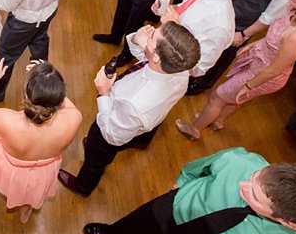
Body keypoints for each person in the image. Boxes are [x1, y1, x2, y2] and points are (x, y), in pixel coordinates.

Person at [83, 147, 296, 234]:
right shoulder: (242, 161)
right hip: (175, 208)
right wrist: (180, 183)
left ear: (289, 223)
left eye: (254, 195)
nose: (242, 184)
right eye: (256, 176)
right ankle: (114, 233)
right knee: (133, 224)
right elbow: (199, 168)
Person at [176, 0, 296, 139]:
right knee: (234, 98)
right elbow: (274, 37)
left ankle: (194, 129)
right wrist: (253, 44)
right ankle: (217, 120)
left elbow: (275, 69)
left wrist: (248, 86)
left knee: (217, 96)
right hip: (258, 62)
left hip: (263, 74)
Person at [58, 22, 199, 197]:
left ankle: (83, 186)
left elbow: (112, 135)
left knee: (97, 156)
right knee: (104, 150)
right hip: (130, 123)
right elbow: (145, 60)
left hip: (111, 127)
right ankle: (101, 155)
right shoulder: (179, 70)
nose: (150, 30)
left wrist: (103, 94)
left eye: (153, 35)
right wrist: (135, 39)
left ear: (157, 57)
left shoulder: (137, 104)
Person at [0, 55, 82, 223]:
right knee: (33, 192)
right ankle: (27, 209)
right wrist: (49, 83)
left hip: (12, 169)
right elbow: (64, 102)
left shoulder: (7, 120)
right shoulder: (74, 118)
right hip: (44, 169)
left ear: (26, 97)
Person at [160, 0, 248, 79]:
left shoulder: (220, 25)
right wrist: (170, 8)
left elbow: (197, 68)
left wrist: (172, 28)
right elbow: (184, 12)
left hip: (167, 74)